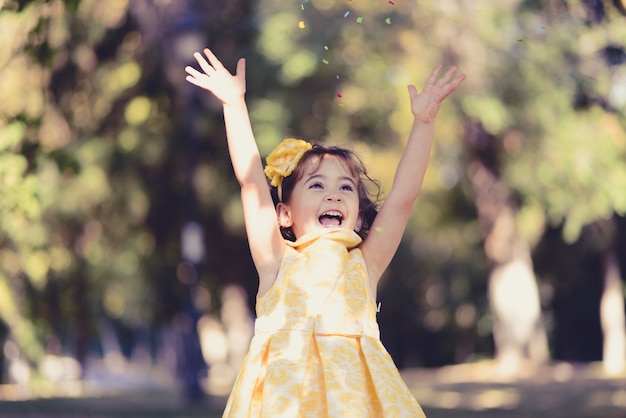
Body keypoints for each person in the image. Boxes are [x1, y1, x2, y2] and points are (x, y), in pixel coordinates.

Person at [185, 48, 465, 417]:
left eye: (346, 188)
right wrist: (234, 105)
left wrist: (424, 125)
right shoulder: (276, 262)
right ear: (284, 214)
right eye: (317, 186)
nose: (334, 193)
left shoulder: (366, 265)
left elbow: (402, 199)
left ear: (359, 216)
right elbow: (252, 183)